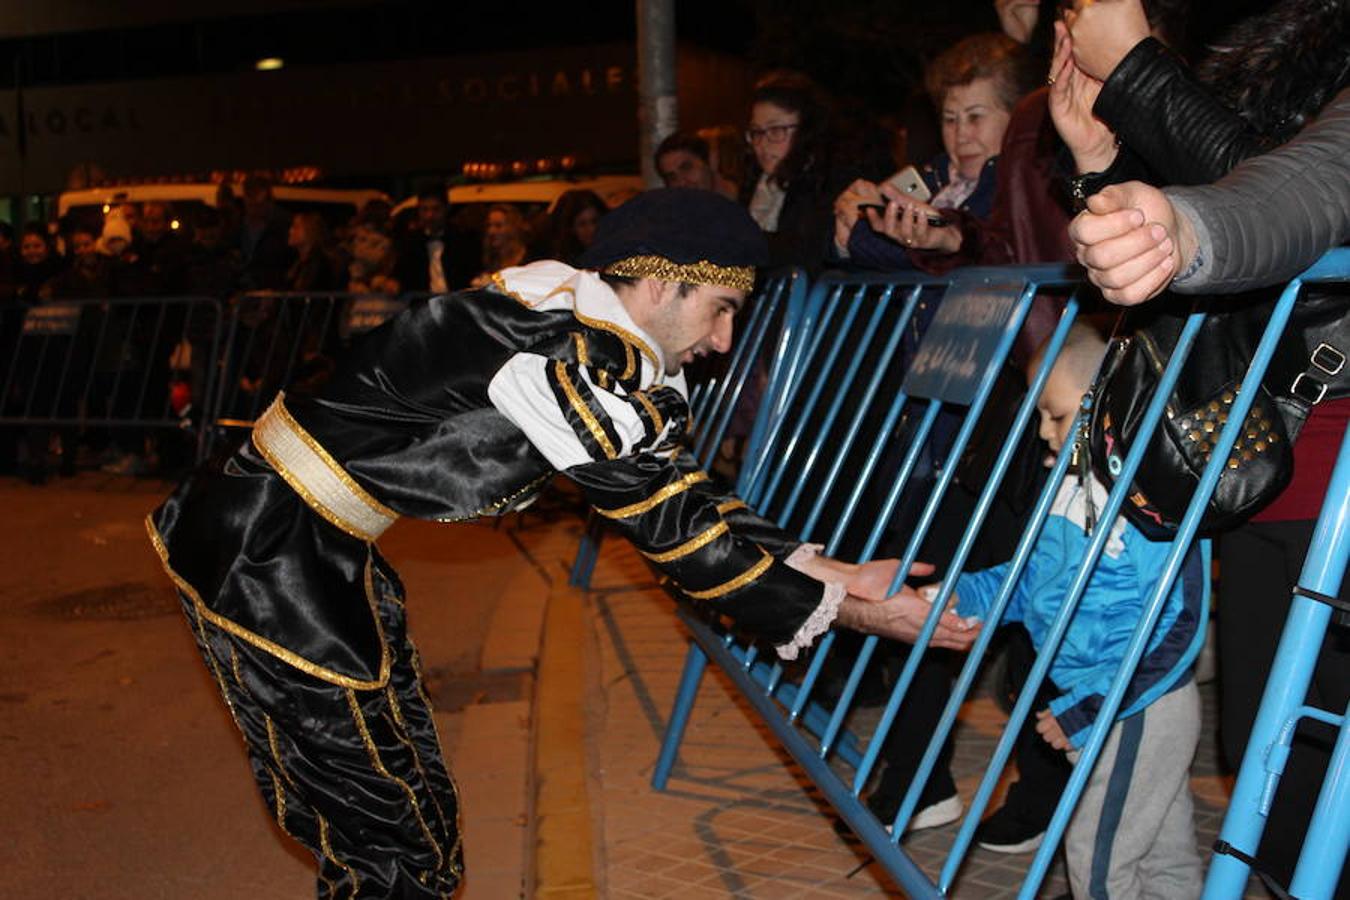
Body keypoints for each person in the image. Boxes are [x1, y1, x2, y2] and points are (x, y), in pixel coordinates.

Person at [146, 188, 978, 897]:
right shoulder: (557, 351)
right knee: (387, 833)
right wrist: (860, 615)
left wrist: (829, 573)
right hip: (267, 554)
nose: (725, 343)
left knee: (409, 812)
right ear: (658, 282)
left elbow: (686, 494)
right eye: (722, 309)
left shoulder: (571, 325)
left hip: (309, 549)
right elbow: (673, 529)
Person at [910, 323, 1207, 898]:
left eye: (1056, 416)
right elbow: (1030, 585)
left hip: (1140, 704)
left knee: (1096, 850)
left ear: (1109, 408)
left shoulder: (1156, 508)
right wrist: (963, 595)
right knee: (1160, 848)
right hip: (1098, 698)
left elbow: (1176, 628)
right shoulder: (1067, 489)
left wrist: (1091, 708)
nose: (1043, 435)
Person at [833, 32, 1034, 269]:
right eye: (950, 119)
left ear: (1017, 117)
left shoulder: (1021, 185)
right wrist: (846, 227)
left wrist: (860, 234)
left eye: (975, 117)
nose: (960, 135)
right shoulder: (928, 178)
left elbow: (961, 256)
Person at [741, 72, 890, 272]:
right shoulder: (757, 185)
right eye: (756, 132)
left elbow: (807, 250)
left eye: (775, 131)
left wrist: (739, 241)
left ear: (807, 131)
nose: (762, 144)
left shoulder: (833, 179)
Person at [395, 185, 478, 294]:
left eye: (436, 209)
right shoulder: (410, 242)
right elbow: (399, 276)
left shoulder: (464, 240)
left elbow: (474, 277)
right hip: (422, 305)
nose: (430, 215)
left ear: (447, 209)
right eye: (424, 209)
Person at [654, 132, 739, 199]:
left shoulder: (749, 205)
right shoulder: (684, 215)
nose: (682, 183)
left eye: (686, 168)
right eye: (672, 178)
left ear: (712, 161)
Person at [470, 203, 530, 287]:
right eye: (489, 225)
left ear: (512, 228)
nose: (491, 231)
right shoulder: (488, 259)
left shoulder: (529, 259)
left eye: (498, 226)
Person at [543, 189, 606, 267]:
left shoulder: (614, 252)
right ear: (571, 229)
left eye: (595, 221)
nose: (591, 229)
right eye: (582, 224)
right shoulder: (562, 265)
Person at [285, 211, 343, 293]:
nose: (290, 231)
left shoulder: (319, 262)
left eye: (296, 227)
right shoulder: (298, 262)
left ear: (310, 230)